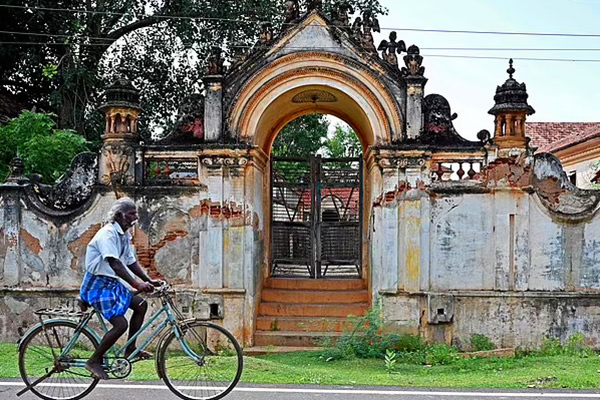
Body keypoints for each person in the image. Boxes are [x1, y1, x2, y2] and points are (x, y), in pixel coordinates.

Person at [80, 197, 161, 379]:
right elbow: (115, 264)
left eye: (136, 213)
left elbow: (131, 262)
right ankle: (94, 360)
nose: (135, 217)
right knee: (120, 324)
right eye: (131, 213)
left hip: (110, 284)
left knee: (141, 305)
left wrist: (149, 280)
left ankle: (130, 349)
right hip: (97, 286)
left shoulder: (124, 235)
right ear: (118, 216)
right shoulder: (107, 234)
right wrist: (137, 284)